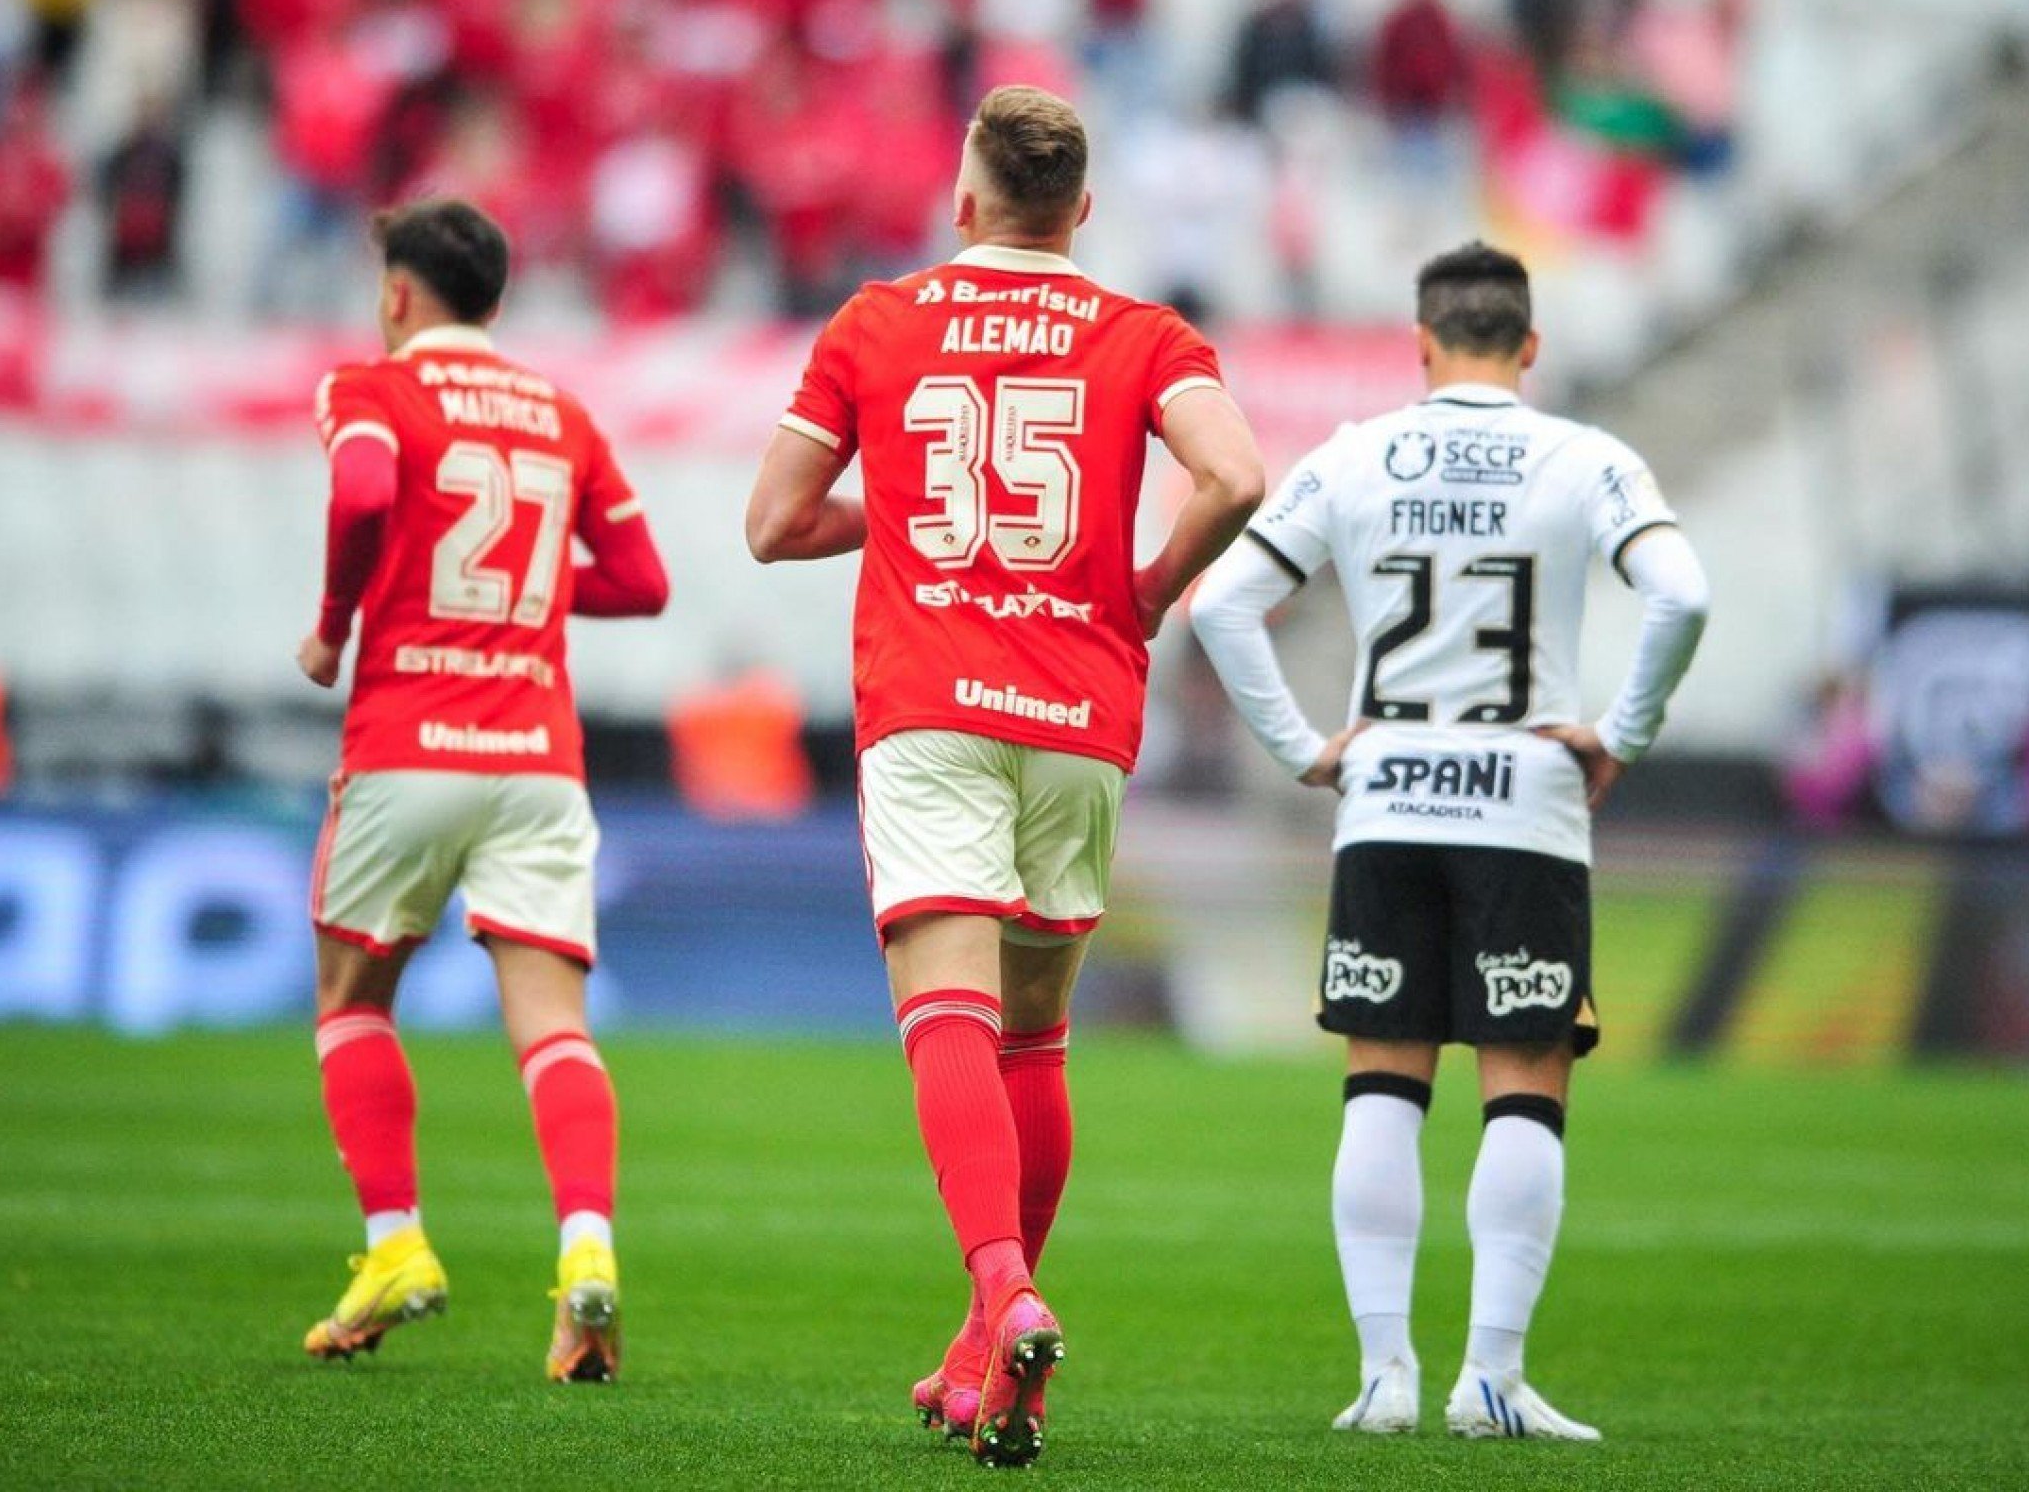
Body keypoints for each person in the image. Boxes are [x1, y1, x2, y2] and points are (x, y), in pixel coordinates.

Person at [745, 84, 1263, 1466]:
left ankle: (1002, 1289)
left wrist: (900, 505)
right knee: (1035, 1033)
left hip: (931, 707)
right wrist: (1150, 591)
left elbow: (773, 522)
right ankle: (985, 1351)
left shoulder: (879, 321)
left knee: (946, 1016)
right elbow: (1238, 478)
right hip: (1080, 708)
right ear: (1082, 213)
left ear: (963, 202)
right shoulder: (1142, 332)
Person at [1190, 241, 1707, 1441]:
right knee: (1523, 1089)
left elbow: (1223, 602)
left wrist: (1306, 749)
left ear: (1420, 345)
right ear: (1530, 348)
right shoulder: (1587, 456)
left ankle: (1383, 1380)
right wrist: (1621, 733)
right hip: (1525, 795)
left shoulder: (1359, 452)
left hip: (1387, 795)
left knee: (1383, 1082)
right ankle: (1490, 1381)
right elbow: (1682, 595)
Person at [296, 199, 669, 1383]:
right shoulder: (561, 414)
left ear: (401, 293)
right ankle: (587, 1256)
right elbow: (645, 581)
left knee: (355, 1000)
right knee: (555, 1030)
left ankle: (395, 1242)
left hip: (408, 743)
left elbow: (361, 495)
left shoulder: (372, 386)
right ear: (497, 300)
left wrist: (332, 627)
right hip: (533, 758)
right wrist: (522, 605)